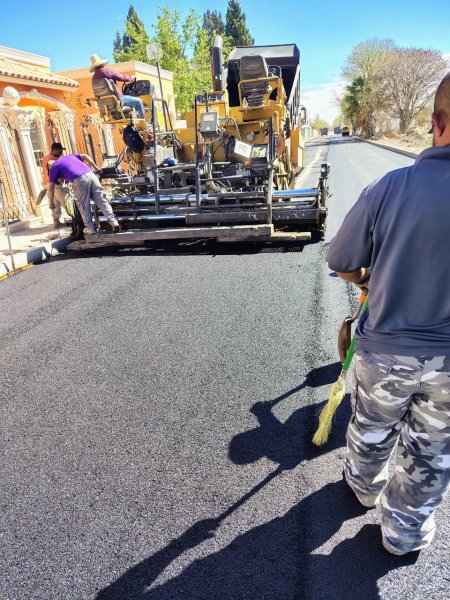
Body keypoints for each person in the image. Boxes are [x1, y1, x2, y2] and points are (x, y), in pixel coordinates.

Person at [327, 72, 450, 556]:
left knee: (373, 426)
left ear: (436, 122)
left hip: (386, 352)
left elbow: (340, 259)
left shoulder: (389, 188)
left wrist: (367, 280)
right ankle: (403, 533)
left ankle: (362, 486)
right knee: (432, 453)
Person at [47, 148, 119, 235]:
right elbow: (85, 156)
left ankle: (90, 229)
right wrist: (96, 168)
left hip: (79, 180)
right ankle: (114, 222)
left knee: (83, 205)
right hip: (91, 175)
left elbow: (50, 188)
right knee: (102, 200)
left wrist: (51, 202)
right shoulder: (69, 156)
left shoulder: (53, 168)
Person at [89, 54, 145, 120]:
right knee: (138, 101)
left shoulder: (94, 79)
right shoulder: (106, 71)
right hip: (118, 101)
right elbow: (121, 77)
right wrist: (131, 78)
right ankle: (141, 123)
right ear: (101, 63)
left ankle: (133, 121)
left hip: (105, 105)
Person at [40, 142, 69, 227]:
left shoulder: (47, 158)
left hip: (50, 184)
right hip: (56, 184)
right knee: (66, 202)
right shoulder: (51, 160)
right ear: (54, 150)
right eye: (60, 151)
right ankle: (75, 218)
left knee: (55, 203)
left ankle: (56, 222)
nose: (61, 153)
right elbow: (56, 173)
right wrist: (63, 181)